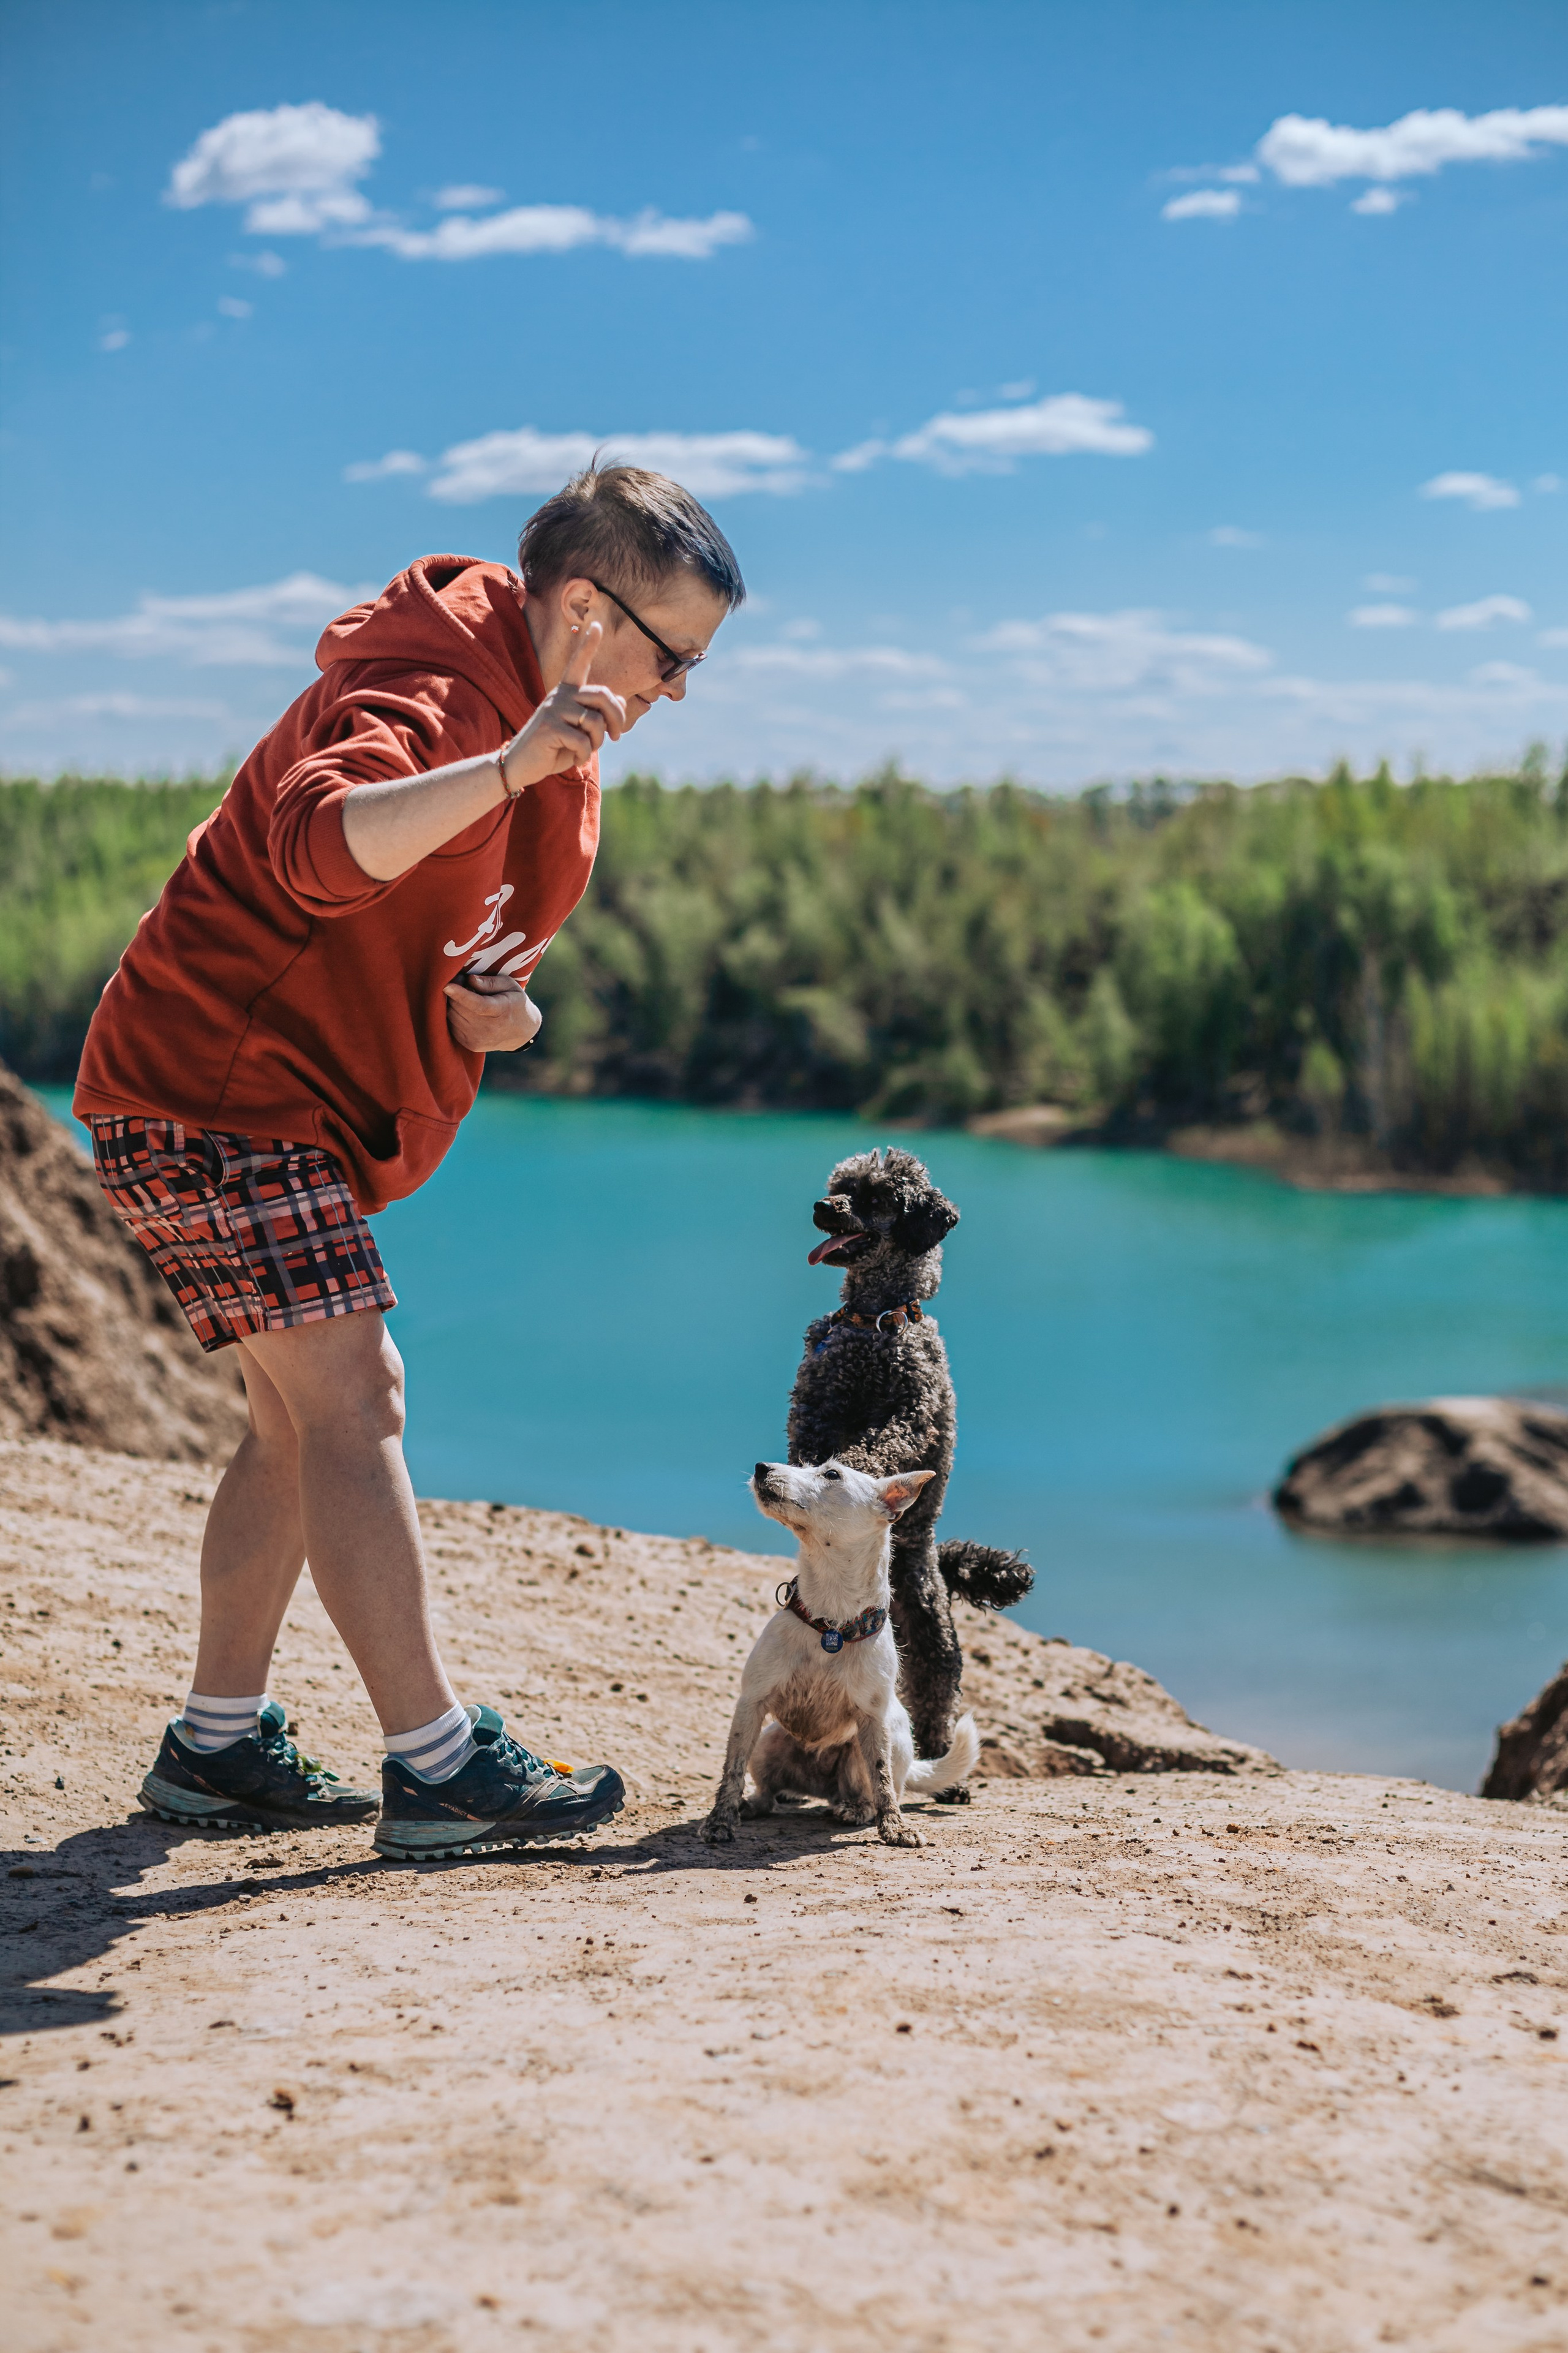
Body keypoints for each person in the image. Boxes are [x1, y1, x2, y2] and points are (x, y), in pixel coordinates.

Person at [73, 463, 744, 1859]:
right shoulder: (433, 694)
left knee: (292, 1422)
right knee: (356, 1396)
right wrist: (502, 766)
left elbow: (475, 933)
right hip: (215, 1092)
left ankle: (217, 1744)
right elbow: (323, 844)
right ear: (581, 607)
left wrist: (503, 1012)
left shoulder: (557, 731)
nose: (678, 688)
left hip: (253, 1101)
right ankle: (435, 1761)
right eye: (673, 652)